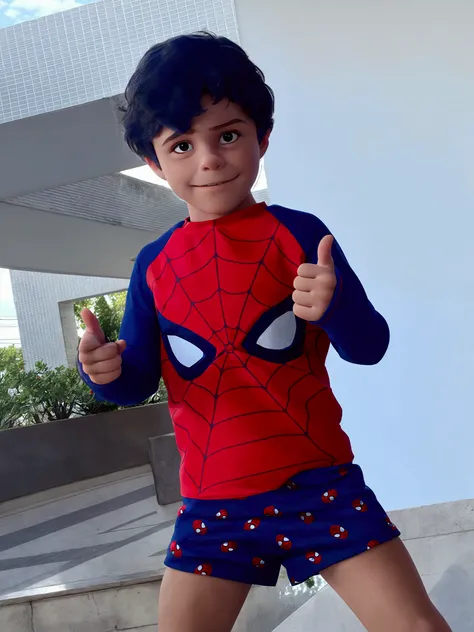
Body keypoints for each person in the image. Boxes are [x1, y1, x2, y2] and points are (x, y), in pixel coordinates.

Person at [78, 32, 451, 632]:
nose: (210, 159)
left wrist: (331, 308)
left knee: (418, 627)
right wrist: (104, 369)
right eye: (181, 144)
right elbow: (138, 380)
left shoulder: (302, 235)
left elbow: (369, 346)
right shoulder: (153, 265)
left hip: (320, 485)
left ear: (262, 136)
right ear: (153, 162)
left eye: (228, 134)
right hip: (214, 501)